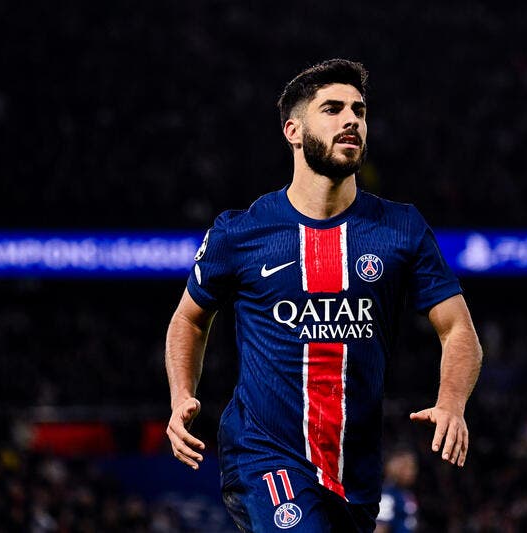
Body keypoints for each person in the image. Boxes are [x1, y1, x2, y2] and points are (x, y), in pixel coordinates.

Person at [165, 59, 482, 532]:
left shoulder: (401, 228)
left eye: (359, 109)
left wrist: (452, 403)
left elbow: (459, 330)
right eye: (332, 109)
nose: (351, 119)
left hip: (354, 471)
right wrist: (181, 396)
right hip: (264, 453)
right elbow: (188, 319)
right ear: (293, 131)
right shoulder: (242, 232)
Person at [376, 449, 420, 533]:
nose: (411, 472)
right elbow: (380, 528)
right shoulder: (388, 495)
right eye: (407, 467)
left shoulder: (407, 493)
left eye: (413, 467)